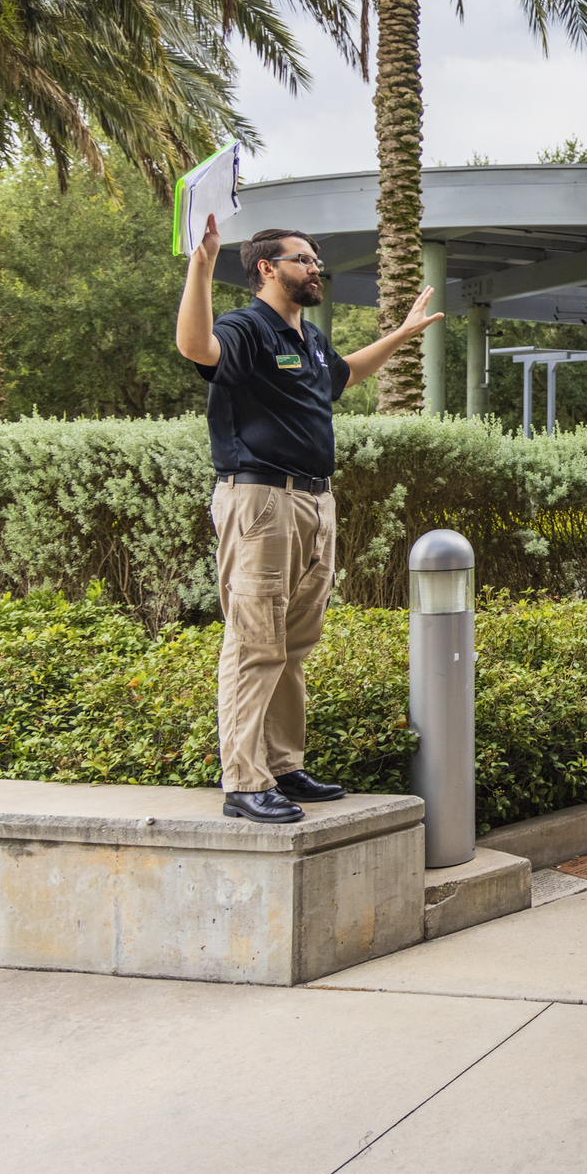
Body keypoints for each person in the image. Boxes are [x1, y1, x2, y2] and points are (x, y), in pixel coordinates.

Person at [173, 218, 442, 823]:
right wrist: (201, 264)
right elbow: (197, 348)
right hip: (262, 500)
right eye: (302, 259)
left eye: (315, 258)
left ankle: (283, 767)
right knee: (254, 642)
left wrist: (401, 335)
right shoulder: (246, 327)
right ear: (267, 269)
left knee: (292, 645)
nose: (315, 266)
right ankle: (244, 782)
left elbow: (343, 374)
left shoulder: (311, 338)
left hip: (315, 501)